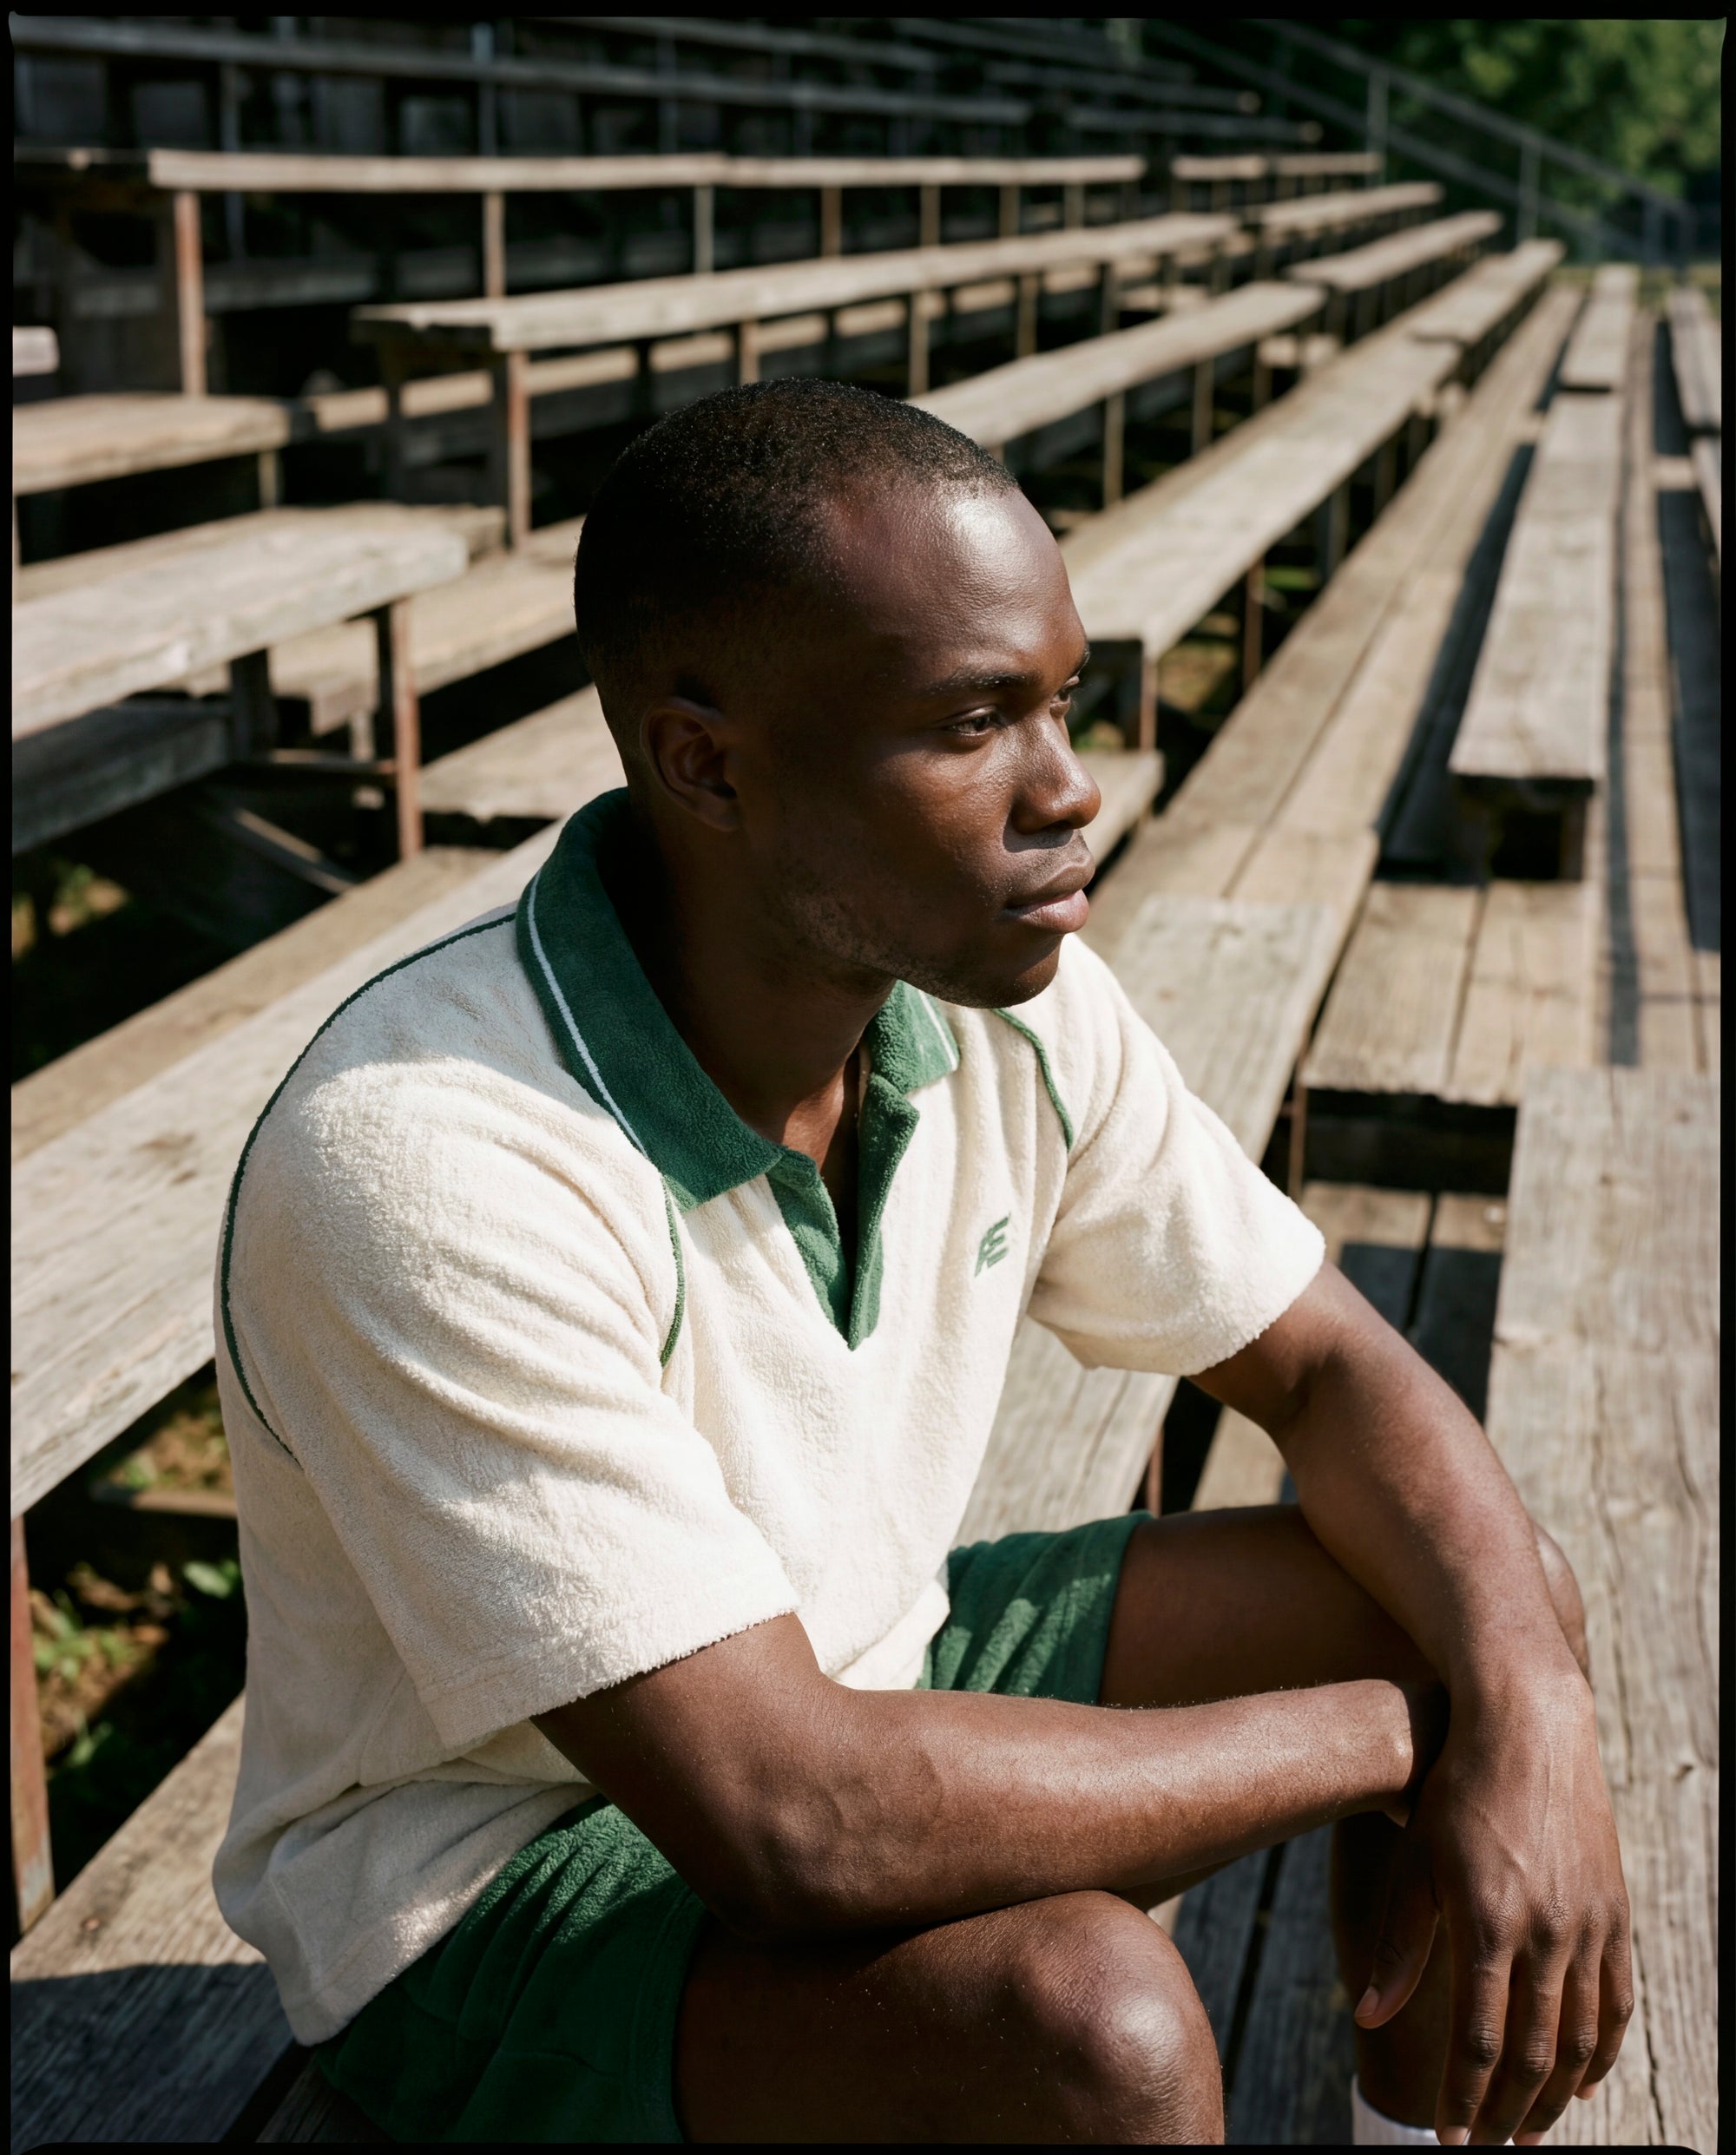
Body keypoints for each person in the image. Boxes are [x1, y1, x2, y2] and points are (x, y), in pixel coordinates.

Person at [214, 380, 1628, 2145]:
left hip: (865, 1674)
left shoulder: (995, 1006)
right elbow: (794, 1820)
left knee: (1481, 1592)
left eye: (1061, 701)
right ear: (704, 764)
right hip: (491, 1890)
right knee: (1095, 2029)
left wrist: (1522, 1700)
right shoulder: (429, 1156)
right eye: (973, 724)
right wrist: (1410, 1734)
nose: (1070, 789)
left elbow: (1330, 1364)